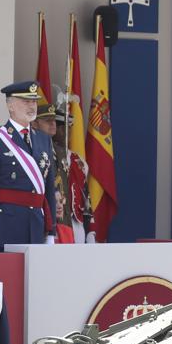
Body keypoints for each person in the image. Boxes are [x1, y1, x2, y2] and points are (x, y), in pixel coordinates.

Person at [0, 81, 57, 251]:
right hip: (6, 226)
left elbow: (48, 188)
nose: (32, 106)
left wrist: (51, 231)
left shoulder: (44, 140)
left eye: (33, 101)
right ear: (10, 106)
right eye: (26, 101)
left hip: (37, 226)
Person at [50, 104, 95, 244]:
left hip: (77, 223)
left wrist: (90, 229)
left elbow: (85, 196)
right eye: (62, 128)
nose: (66, 133)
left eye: (69, 128)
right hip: (56, 222)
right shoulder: (45, 156)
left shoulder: (78, 161)